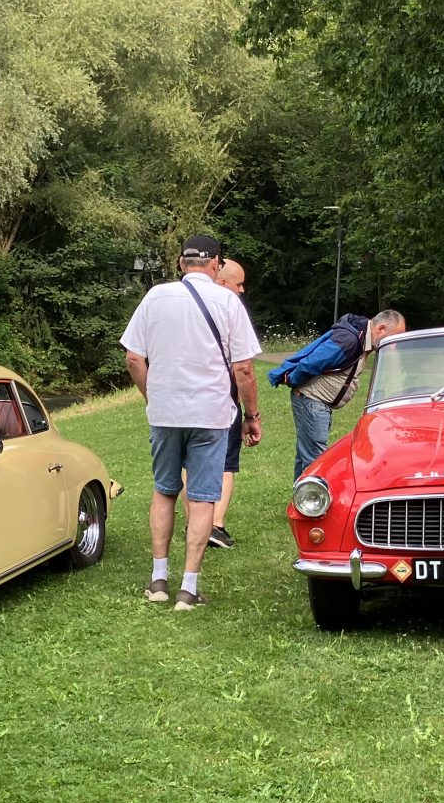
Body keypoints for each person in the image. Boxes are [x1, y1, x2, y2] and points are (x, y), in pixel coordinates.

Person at [120, 234, 262, 609]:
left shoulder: (155, 296)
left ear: (182, 264)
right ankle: (188, 588)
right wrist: (252, 416)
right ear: (216, 263)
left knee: (164, 490)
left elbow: (133, 358)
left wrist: (154, 397)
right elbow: (244, 369)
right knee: (201, 500)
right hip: (211, 415)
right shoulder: (227, 301)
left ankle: (158, 580)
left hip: (165, 414)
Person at [268, 308, 406, 479]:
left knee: (306, 455)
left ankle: (300, 493)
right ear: (381, 329)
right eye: (393, 340)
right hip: (312, 400)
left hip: (317, 403)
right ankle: (315, 494)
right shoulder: (349, 340)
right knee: (317, 461)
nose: (394, 346)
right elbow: (312, 362)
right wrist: (291, 379)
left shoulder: (362, 338)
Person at [208, 258, 251, 548]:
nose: (242, 290)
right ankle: (215, 525)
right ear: (223, 283)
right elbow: (243, 368)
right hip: (223, 401)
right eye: (239, 284)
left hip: (187, 401)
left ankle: (195, 523)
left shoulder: (184, 305)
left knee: (190, 462)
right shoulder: (230, 307)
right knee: (226, 464)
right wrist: (253, 414)